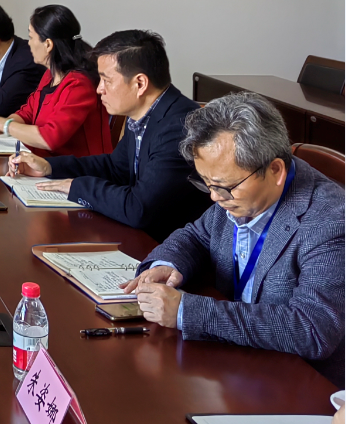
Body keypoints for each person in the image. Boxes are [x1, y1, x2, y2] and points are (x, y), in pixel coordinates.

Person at [123, 92, 344, 382]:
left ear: (275, 170)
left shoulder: (330, 221)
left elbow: (312, 330)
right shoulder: (238, 188)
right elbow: (197, 236)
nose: (214, 197)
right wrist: (166, 264)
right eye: (206, 183)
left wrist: (188, 311)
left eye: (223, 186)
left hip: (295, 380)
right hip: (233, 359)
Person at [9, 30, 210, 241]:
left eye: (106, 80)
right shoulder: (146, 113)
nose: (99, 89)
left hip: (166, 246)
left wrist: (77, 186)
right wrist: (49, 167)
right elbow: (115, 168)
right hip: (141, 236)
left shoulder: (179, 127)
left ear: (140, 84)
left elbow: (138, 208)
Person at [0, 5, 112, 158]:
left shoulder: (79, 84)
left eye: (31, 37)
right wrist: (4, 124)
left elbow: (50, 138)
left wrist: (2, 124)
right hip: (42, 161)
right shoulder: (49, 74)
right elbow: (27, 112)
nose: (29, 43)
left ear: (48, 44)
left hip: (74, 168)